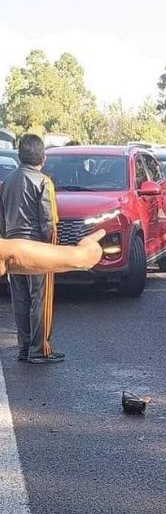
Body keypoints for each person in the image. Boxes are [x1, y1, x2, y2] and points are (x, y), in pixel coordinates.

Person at [3, 134, 66, 364]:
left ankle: (25, 346)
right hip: (36, 248)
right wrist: (53, 252)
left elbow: (2, 219)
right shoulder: (43, 182)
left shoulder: (7, 181)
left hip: (12, 247)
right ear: (43, 157)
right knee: (40, 297)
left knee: (19, 298)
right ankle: (39, 349)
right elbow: (48, 221)